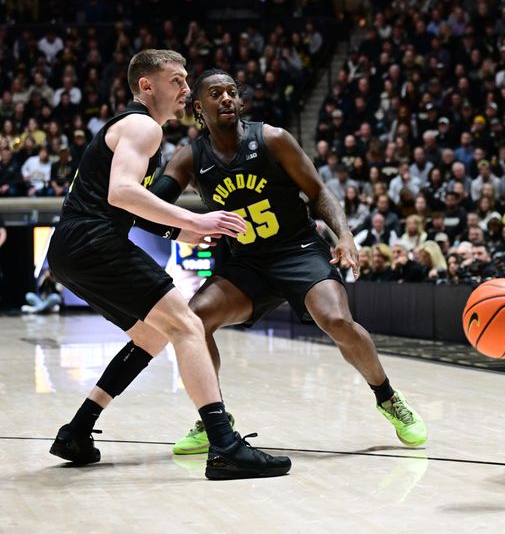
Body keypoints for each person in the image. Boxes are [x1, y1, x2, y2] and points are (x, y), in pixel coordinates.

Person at [138, 69, 426, 453]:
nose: (226, 98)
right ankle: (213, 419)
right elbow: (152, 206)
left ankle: (389, 398)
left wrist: (343, 234)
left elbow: (318, 191)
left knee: (337, 320)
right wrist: (145, 183)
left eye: (232, 92)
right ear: (198, 108)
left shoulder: (271, 138)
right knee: (194, 322)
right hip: (245, 264)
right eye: (216, 93)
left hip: (297, 250)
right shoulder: (190, 157)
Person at [46, 50, 290, 480]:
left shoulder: (133, 130)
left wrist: (178, 232)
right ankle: (224, 445)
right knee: (189, 326)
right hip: (93, 242)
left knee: (153, 336)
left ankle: (76, 431)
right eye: (176, 81)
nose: (185, 90)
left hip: (71, 249)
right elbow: (122, 193)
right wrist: (196, 219)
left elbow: (127, 204)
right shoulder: (142, 126)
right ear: (146, 86)